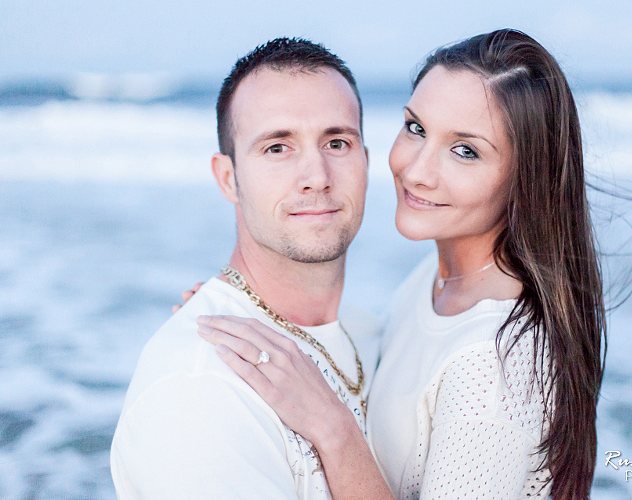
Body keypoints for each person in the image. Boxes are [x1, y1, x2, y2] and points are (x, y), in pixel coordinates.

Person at [195, 29, 606, 499]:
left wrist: (332, 426)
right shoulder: (437, 281)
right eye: (416, 128)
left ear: (525, 178)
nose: (416, 170)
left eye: (465, 151)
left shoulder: (493, 365)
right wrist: (244, 305)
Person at [110, 37, 387, 499]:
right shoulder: (197, 392)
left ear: (365, 160)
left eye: (337, 142)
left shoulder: (376, 333)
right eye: (278, 148)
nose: (316, 176)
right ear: (228, 178)